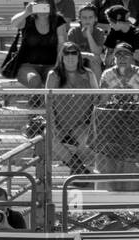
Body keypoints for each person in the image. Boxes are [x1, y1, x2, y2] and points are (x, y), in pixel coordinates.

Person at [47, 42, 101, 174]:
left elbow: (97, 100)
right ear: (61, 57)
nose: (70, 56)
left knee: (86, 142)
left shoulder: (88, 75)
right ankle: (78, 168)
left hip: (81, 124)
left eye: (74, 53)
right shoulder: (54, 75)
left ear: (79, 57)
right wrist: (53, 126)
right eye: (66, 53)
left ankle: (79, 169)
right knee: (49, 138)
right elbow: (48, 103)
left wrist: (91, 124)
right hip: (60, 124)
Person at [2, 4, 63, 89]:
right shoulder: (27, 19)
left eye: (45, 7)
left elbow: (62, 44)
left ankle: (46, 102)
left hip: (51, 65)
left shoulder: (58, 20)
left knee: (54, 78)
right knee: (34, 80)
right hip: (27, 65)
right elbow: (13, 23)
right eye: (40, 6)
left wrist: (58, 65)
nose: (43, 11)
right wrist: (26, 12)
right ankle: (38, 102)